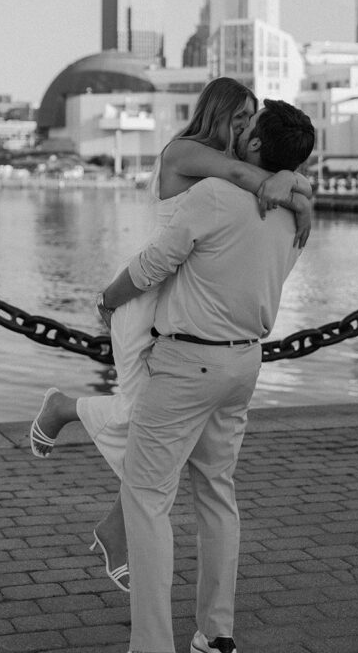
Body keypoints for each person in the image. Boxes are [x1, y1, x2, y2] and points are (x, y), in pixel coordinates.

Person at [29, 80, 313, 591]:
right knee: (148, 420)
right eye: (241, 117)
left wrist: (294, 179)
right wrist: (294, 183)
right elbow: (243, 173)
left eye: (254, 119)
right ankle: (63, 410)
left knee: (162, 437)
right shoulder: (186, 153)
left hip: (175, 301)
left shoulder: (226, 175)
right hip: (144, 299)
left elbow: (251, 175)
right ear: (219, 114)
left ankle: (114, 528)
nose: (248, 127)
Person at [100, 99, 315, 653]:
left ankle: (150, 645)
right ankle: (216, 634)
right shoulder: (295, 208)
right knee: (218, 497)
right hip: (244, 364)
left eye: (250, 128)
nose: (241, 132)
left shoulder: (215, 194)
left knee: (147, 500)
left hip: (186, 363)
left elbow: (153, 264)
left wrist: (108, 299)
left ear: (259, 147)